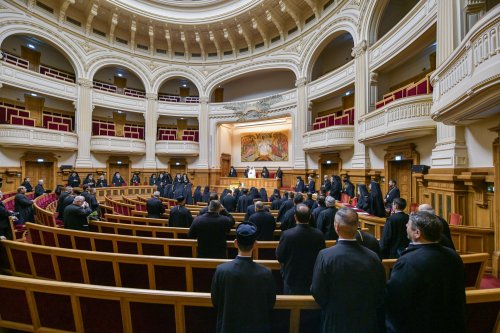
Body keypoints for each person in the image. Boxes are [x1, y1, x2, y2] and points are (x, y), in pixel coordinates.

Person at [385, 211, 466, 333]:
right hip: (449, 325)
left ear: (417, 233)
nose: (406, 226)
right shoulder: (453, 256)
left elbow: (396, 303)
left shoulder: (408, 262)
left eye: (408, 225)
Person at [311, 207, 385, 333]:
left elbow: (317, 291)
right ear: (357, 226)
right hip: (366, 320)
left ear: (336, 227)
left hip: (336, 319)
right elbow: (380, 290)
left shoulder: (325, 255)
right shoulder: (373, 257)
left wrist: (332, 307)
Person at [211, 222, 276, 333]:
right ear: (255, 244)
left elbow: (215, 301)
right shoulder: (266, 273)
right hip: (257, 327)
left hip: (228, 326)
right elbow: (270, 303)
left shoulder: (221, 270)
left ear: (235, 243)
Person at [276, 204, 325, 295]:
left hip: (292, 276)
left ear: (295, 217)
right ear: (310, 217)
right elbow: (322, 256)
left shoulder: (287, 235)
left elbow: (280, 256)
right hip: (312, 276)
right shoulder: (319, 234)